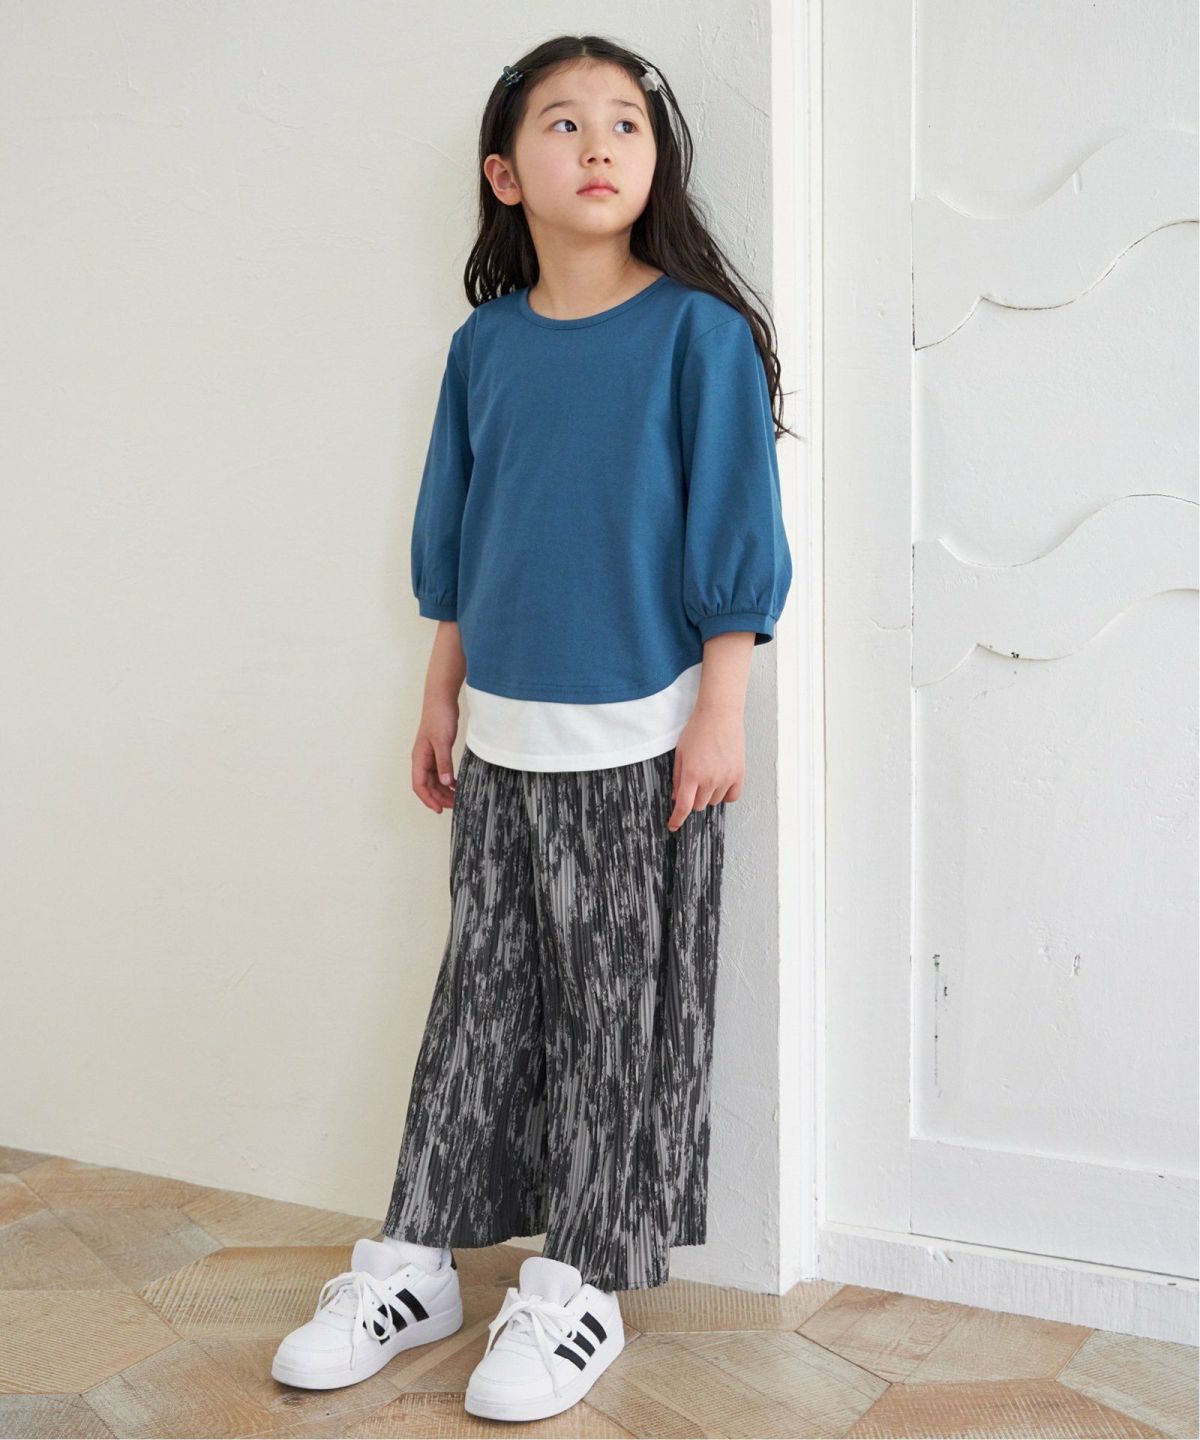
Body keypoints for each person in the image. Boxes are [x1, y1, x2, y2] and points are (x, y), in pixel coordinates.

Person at [270, 32, 793, 1423]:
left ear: (656, 162)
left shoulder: (696, 336)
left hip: (643, 742)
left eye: (626, 122)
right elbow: (463, 536)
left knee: (617, 1016)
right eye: (564, 124)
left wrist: (722, 711)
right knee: (480, 1002)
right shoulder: (484, 347)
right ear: (506, 174)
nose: (600, 144)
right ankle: (418, 1259)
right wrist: (437, 691)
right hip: (500, 735)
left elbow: (735, 534)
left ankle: (580, 1286)